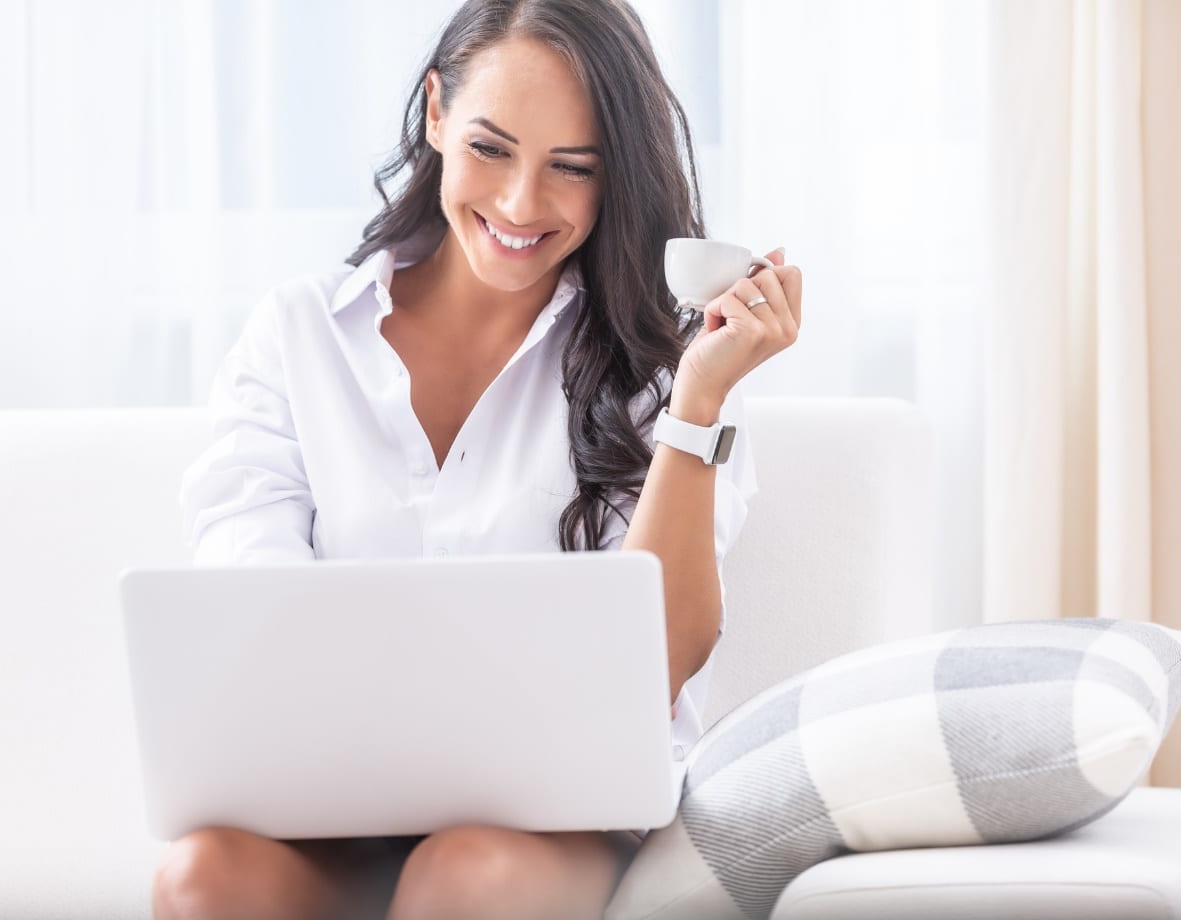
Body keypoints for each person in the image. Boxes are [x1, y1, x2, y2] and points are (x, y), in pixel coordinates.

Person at [154, 0, 802, 917]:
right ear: (434, 114)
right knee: (203, 874)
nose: (518, 205)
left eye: (569, 169)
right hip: (339, 809)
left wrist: (697, 403)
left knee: (466, 871)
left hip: (554, 826)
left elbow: (657, 660)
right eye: (490, 149)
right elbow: (247, 602)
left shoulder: (659, 367)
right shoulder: (299, 338)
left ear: (612, 176)